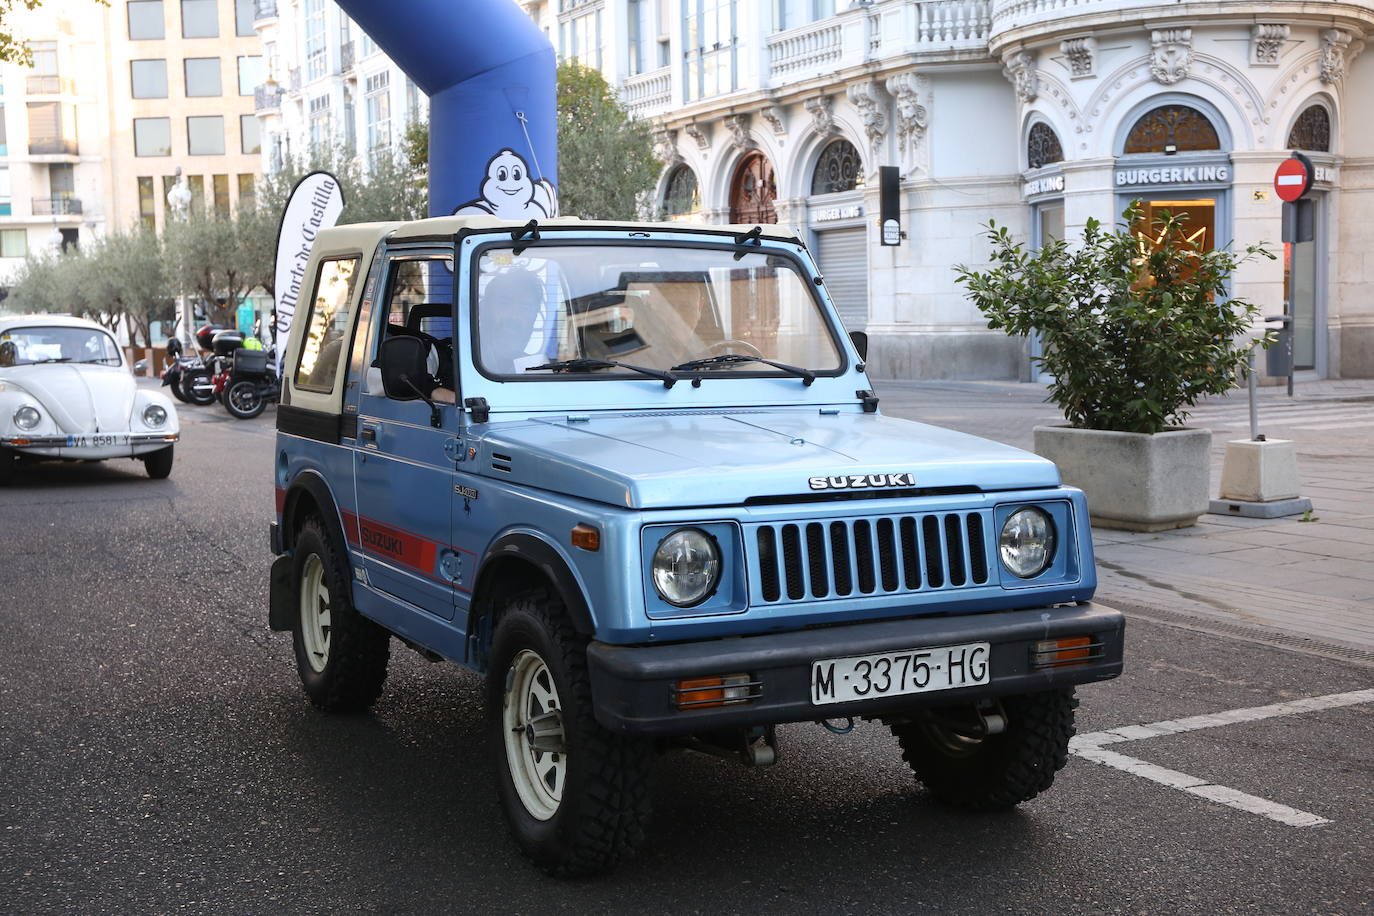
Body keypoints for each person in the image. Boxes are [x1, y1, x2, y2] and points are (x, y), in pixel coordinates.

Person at [479, 270, 547, 373]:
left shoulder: (540, 371)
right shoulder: (452, 357)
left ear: (534, 318)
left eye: (525, 308)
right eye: (504, 303)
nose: (514, 315)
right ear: (484, 309)